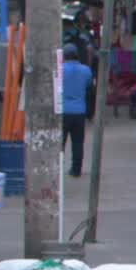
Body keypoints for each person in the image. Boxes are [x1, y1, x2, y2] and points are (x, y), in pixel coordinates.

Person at [60, 42, 94, 178]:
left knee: (60, 143)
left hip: (63, 111)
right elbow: (89, 87)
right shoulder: (86, 70)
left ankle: (58, 169)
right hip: (79, 111)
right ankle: (76, 170)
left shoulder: (59, 69)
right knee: (78, 142)